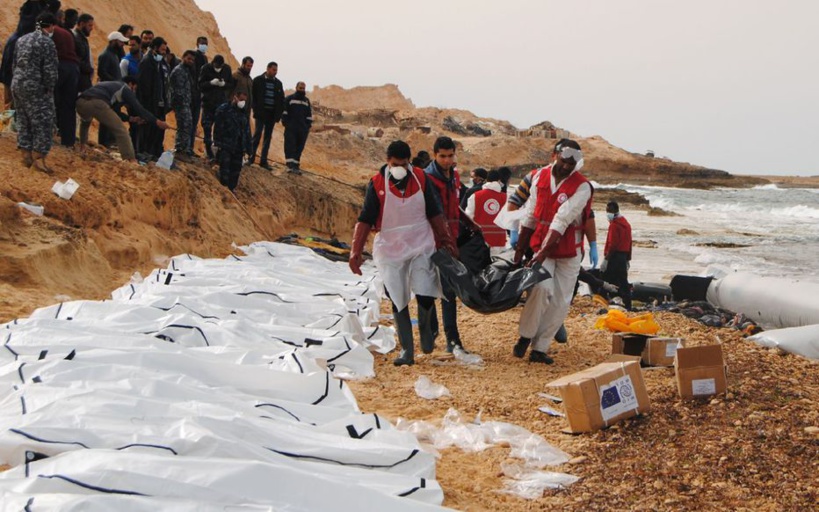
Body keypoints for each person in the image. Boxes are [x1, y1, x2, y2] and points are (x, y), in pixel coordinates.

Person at [349, 140, 459, 366]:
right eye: (395, 164)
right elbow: (365, 219)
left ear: (409, 162)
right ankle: (407, 350)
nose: (399, 167)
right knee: (397, 297)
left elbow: (435, 212)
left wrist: (446, 240)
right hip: (390, 246)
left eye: (403, 163)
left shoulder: (420, 179)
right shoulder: (377, 184)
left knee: (425, 287)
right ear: (388, 162)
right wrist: (355, 251)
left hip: (420, 240)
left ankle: (427, 332)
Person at [512, 140, 593, 364]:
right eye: (564, 161)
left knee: (560, 300)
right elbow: (530, 213)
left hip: (568, 251)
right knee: (540, 289)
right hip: (541, 245)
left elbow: (563, 218)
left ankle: (541, 347)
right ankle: (525, 336)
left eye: (572, 163)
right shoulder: (538, 177)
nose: (567, 167)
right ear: (554, 155)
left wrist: (542, 253)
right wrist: (521, 248)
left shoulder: (582, 186)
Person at [424, 136, 477, 353]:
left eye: (450, 156)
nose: (447, 160)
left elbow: (454, 206)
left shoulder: (454, 176)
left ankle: (450, 338)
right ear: (435, 155)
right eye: (442, 156)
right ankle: (437, 333)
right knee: (430, 289)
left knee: (448, 291)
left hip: (451, 238)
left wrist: (470, 222)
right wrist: (446, 240)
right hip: (432, 240)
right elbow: (433, 212)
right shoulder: (427, 179)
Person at [76, 77, 169, 160]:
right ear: (130, 84)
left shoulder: (111, 87)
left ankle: (82, 147)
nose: (133, 92)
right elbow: (139, 109)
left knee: (85, 123)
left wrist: (131, 118)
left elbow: (114, 112)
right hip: (97, 103)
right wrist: (157, 122)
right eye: (134, 88)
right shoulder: (124, 88)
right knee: (121, 130)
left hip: (80, 103)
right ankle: (130, 159)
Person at [12, 11, 58, 173]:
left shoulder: (22, 39)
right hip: (36, 88)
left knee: (23, 120)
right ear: (51, 26)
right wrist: (49, 89)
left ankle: (26, 156)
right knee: (43, 122)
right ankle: (39, 159)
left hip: (17, 84)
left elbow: (15, 63)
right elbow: (50, 71)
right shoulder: (47, 43)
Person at [136, 37, 170, 160]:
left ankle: (155, 152)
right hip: (149, 103)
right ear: (155, 48)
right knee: (147, 129)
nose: (164, 52)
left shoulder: (161, 63)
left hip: (160, 103)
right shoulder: (146, 62)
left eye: (165, 50)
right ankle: (145, 152)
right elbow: (144, 87)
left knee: (158, 130)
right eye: (162, 49)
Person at [50, 10, 79, 147]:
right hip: (73, 69)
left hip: (60, 66)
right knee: (68, 106)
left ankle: (49, 135)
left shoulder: (52, 31)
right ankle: (68, 141)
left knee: (51, 101)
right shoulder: (68, 33)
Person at [213, 90, 252, 191]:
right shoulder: (224, 109)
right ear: (235, 97)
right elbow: (218, 127)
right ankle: (223, 191)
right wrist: (217, 143)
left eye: (245, 100)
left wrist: (249, 149)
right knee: (225, 171)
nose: (242, 102)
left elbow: (247, 131)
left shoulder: (243, 113)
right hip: (226, 146)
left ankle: (231, 190)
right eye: (241, 99)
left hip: (239, 148)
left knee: (235, 173)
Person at [249, 61, 284, 169]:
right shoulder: (258, 80)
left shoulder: (278, 83)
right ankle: (251, 157)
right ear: (268, 69)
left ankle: (263, 161)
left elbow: (281, 99)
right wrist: (255, 108)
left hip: (271, 114)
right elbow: (252, 96)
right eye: (274, 70)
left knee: (267, 138)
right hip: (260, 113)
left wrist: (278, 114)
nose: (275, 72)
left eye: (276, 70)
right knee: (257, 134)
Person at [199, 54, 232, 160]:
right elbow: (200, 85)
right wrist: (210, 83)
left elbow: (230, 84)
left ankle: (217, 153)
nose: (218, 68)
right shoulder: (206, 68)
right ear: (213, 63)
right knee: (207, 127)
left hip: (221, 104)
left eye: (220, 66)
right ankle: (208, 151)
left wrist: (224, 84)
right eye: (217, 66)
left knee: (220, 129)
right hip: (208, 103)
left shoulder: (227, 69)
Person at [465, 170, 507, 253]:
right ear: (499, 181)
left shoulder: (475, 196)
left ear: (486, 180)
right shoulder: (505, 197)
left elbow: (468, 217)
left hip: (479, 241)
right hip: (499, 240)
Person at [602, 201, 633, 310]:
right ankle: (628, 304)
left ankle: (604, 301)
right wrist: (628, 258)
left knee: (606, 277)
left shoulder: (614, 225)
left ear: (615, 211)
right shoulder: (626, 224)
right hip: (623, 256)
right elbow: (629, 242)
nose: (607, 213)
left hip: (615, 256)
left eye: (609, 211)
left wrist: (606, 259)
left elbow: (612, 244)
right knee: (623, 280)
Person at [169, 50, 196, 161]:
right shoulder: (179, 70)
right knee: (184, 125)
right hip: (180, 103)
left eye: (192, 60)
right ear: (183, 57)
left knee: (188, 125)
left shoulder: (186, 71)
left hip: (185, 103)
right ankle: (180, 150)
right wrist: (182, 104)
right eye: (188, 58)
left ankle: (184, 150)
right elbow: (178, 90)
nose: (190, 61)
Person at [282, 81, 312, 174]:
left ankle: (296, 166)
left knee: (299, 148)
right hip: (291, 128)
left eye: (303, 88)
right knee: (290, 146)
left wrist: (307, 127)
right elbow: (284, 114)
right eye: (300, 88)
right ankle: (289, 166)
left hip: (302, 130)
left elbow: (309, 116)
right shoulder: (289, 99)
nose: (302, 90)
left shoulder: (306, 101)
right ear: (296, 88)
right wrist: (287, 124)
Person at [191, 36, 209, 151]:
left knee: (194, 121)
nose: (204, 45)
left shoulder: (205, 58)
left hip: (199, 94)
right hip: (192, 92)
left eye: (206, 44)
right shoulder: (194, 55)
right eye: (202, 43)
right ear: (197, 43)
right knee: (189, 120)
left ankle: (190, 147)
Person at [72, 12, 93, 92]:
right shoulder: (76, 38)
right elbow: (76, 58)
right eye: (89, 25)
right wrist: (88, 69)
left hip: (83, 79)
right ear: (82, 24)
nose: (91, 28)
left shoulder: (82, 39)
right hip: (79, 80)